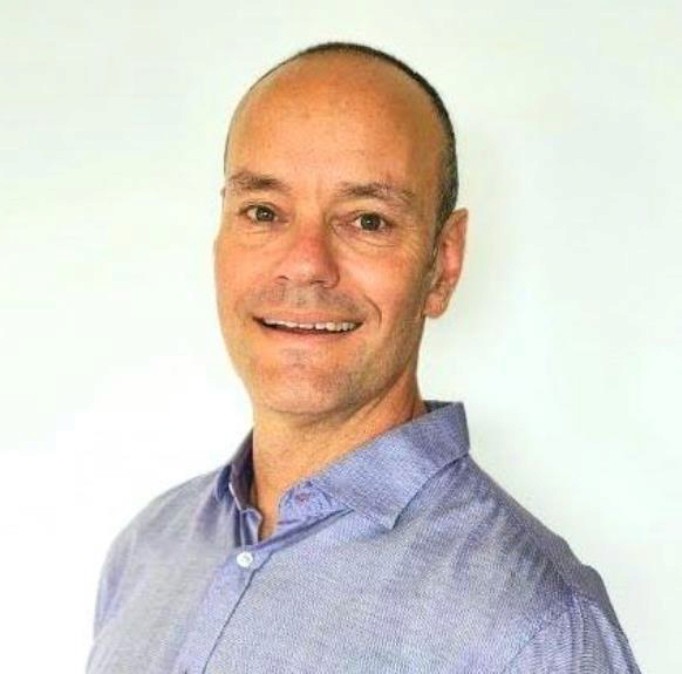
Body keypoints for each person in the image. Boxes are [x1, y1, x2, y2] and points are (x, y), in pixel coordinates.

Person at [87, 43, 641, 673]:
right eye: (263, 211)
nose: (305, 263)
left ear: (443, 264)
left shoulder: (534, 627)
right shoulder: (149, 549)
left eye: (368, 221)